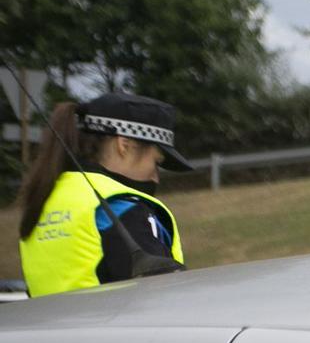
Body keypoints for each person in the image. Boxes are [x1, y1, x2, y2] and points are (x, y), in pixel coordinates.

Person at [16, 92, 190, 297]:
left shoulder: (43, 202)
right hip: (118, 329)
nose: (156, 177)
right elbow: (164, 301)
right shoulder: (122, 208)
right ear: (124, 146)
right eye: (156, 162)